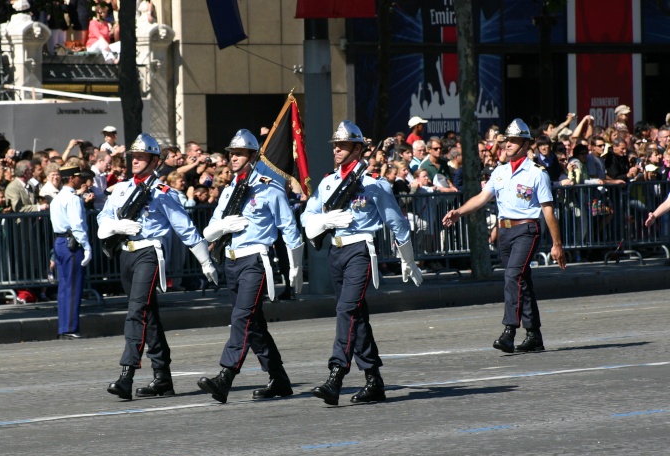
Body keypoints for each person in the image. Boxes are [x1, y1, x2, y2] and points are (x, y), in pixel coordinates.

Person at [300, 120, 423, 406]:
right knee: (357, 317)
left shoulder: (373, 185)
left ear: (357, 149)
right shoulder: (329, 182)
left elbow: (397, 223)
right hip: (336, 252)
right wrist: (323, 220)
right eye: (335, 146)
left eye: (342, 146)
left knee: (346, 310)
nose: (337, 151)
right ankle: (374, 381)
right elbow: (307, 217)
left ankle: (336, 375)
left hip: (360, 251)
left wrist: (409, 260)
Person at [98, 133, 218, 400]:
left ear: (154, 161)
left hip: (149, 254)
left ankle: (126, 375)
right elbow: (103, 216)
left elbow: (184, 227)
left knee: (136, 312)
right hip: (125, 255)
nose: (135, 161)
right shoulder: (121, 188)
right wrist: (114, 226)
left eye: (141, 157)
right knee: (148, 316)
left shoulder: (163, 193)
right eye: (134, 157)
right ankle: (162, 378)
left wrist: (204, 260)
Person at [196, 129, 304, 404]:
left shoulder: (269, 188)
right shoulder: (230, 189)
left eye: (239, 153)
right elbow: (208, 232)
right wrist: (222, 226)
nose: (233, 158)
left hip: (256, 261)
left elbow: (288, 226)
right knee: (253, 325)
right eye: (231, 153)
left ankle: (225, 376)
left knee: (241, 318)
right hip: (231, 261)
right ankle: (279, 379)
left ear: (253, 156)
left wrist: (296, 266)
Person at [442, 118, 567, 354]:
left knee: (512, 276)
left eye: (512, 141)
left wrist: (557, 244)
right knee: (522, 281)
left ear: (524, 144)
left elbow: (548, 210)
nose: (507, 144)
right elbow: (482, 198)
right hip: (505, 231)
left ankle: (509, 330)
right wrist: (459, 211)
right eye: (506, 140)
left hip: (526, 229)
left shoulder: (536, 173)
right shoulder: (499, 172)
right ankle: (534, 335)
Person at [50, 165, 92, 339]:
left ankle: (63, 327)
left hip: (60, 241)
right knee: (74, 287)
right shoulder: (73, 199)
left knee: (64, 287)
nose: (81, 180)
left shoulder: (57, 198)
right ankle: (70, 328)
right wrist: (87, 245)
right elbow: (77, 225)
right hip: (72, 243)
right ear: (71, 178)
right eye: (78, 177)